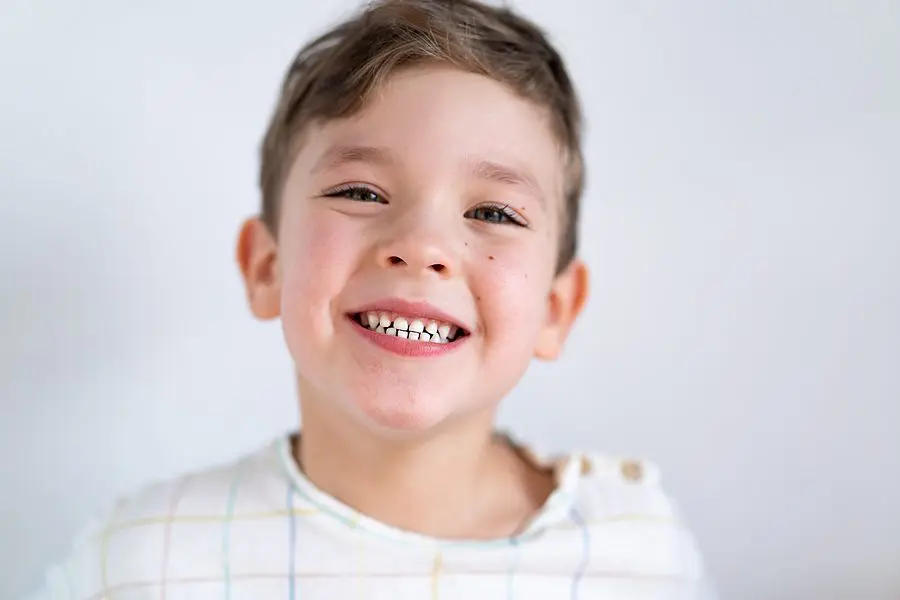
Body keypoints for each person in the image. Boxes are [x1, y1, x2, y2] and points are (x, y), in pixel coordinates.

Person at [29, 0, 715, 598]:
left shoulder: (639, 554)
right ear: (267, 266)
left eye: (495, 213)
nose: (421, 244)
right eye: (361, 193)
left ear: (555, 311)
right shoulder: (147, 561)